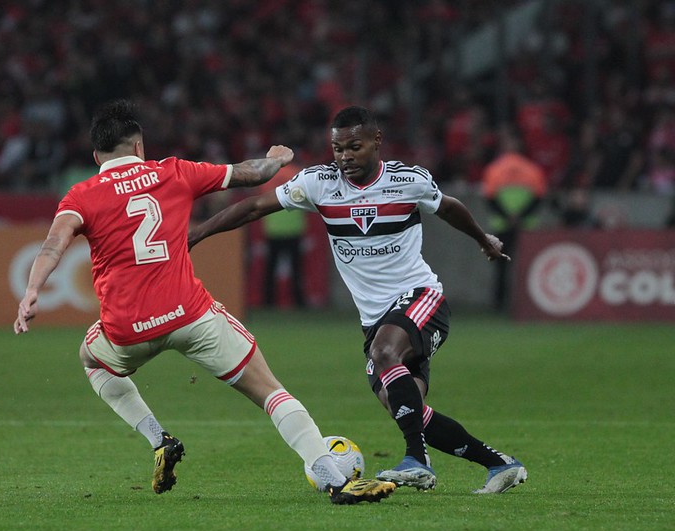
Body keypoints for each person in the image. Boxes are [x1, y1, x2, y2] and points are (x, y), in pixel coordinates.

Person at [13, 99, 395, 505]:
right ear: (140, 147)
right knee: (270, 392)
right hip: (191, 317)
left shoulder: (82, 195)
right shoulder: (174, 172)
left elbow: (54, 244)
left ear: (96, 156)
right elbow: (251, 174)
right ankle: (336, 480)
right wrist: (277, 159)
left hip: (126, 330)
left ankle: (159, 438)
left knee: (90, 359)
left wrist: (33, 290)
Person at [190, 106, 527, 494]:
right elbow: (253, 207)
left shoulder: (406, 180)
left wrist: (484, 239)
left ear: (376, 142)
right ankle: (500, 464)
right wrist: (196, 235)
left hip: (421, 299)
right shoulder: (318, 184)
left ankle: (417, 462)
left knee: (386, 352)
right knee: (405, 407)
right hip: (375, 317)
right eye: (337, 149)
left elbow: (448, 207)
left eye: (355, 146)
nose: (345, 156)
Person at [482, 126, 548, 311]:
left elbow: (490, 198)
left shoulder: (495, 169)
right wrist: (519, 216)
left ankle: (503, 304)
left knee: (508, 265)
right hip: (521, 223)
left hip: (508, 223)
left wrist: (510, 217)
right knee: (513, 265)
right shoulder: (532, 169)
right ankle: (509, 304)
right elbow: (538, 197)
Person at [259, 163, 308, 308]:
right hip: (294, 229)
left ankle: (268, 302)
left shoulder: (268, 174)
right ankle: (299, 302)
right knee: (297, 270)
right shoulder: (297, 173)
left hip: (273, 229)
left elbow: (262, 201)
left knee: (270, 270)